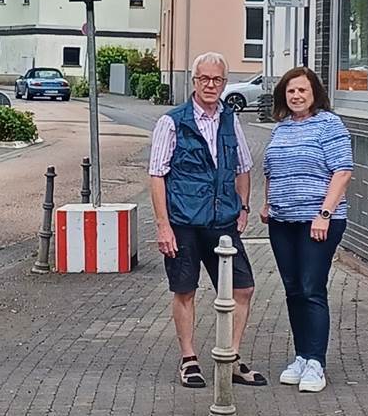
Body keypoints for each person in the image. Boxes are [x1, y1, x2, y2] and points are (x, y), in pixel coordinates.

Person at [149, 52, 267, 389]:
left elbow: (244, 166)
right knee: (185, 290)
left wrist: (243, 208)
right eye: (205, 79)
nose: (211, 85)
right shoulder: (172, 122)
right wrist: (163, 225)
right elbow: (157, 175)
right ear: (194, 81)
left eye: (217, 80)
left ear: (225, 83)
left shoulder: (230, 120)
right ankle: (189, 360)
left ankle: (229, 357)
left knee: (243, 288)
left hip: (222, 223)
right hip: (183, 222)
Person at [260, 66, 353, 393]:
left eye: (302, 90)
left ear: (314, 93)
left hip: (318, 221)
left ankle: (316, 362)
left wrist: (324, 214)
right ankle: (301, 356)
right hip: (282, 221)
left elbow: (342, 172)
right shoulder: (281, 128)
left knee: (312, 287)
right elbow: (271, 169)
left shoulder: (329, 125)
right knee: (293, 288)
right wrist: (267, 203)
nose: (296, 96)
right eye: (291, 91)